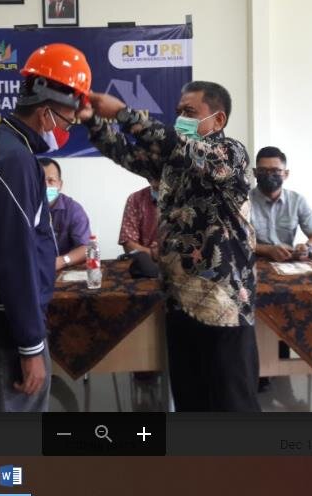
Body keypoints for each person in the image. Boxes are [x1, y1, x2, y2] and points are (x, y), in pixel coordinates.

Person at [80, 80, 260, 412]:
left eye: (190, 112)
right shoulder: (172, 163)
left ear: (218, 119)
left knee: (232, 402)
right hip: (179, 300)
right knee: (190, 399)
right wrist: (93, 120)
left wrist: (122, 113)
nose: (181, 119)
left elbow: (173, 142)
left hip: (223, 305)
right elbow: (125, 153)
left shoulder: (230, 154)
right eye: (178, 112)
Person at [0, 43, 91, 412]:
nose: (67, 129)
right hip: (3, 335)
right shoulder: (14, 161)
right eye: (68, 121)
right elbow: (16, 260)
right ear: (46, 113)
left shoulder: (4, 146)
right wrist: (31, 347)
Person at [249, 146, 312, 262]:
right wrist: (267, 250)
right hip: (252, 262)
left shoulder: (297, 201)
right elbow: (234, 241)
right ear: (255, 173)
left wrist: (307, 248)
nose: (269, 175)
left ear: (286, 174)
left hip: (288, 261)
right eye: (263, 170)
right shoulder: (242, 201)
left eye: (275, 171)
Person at [38, 157, 94, 270]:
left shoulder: (73, 209)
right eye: (39, 180)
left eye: (51, 180)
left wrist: (63, 261)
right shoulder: (21, 208)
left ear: (60, 184)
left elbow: (87, 248)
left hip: (64, 267)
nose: (45, 186)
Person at [118, 178, 162, 256]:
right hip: (147, 260)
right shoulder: (136, 199)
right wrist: (153, 253)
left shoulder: (183, 200)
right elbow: (128, 244)